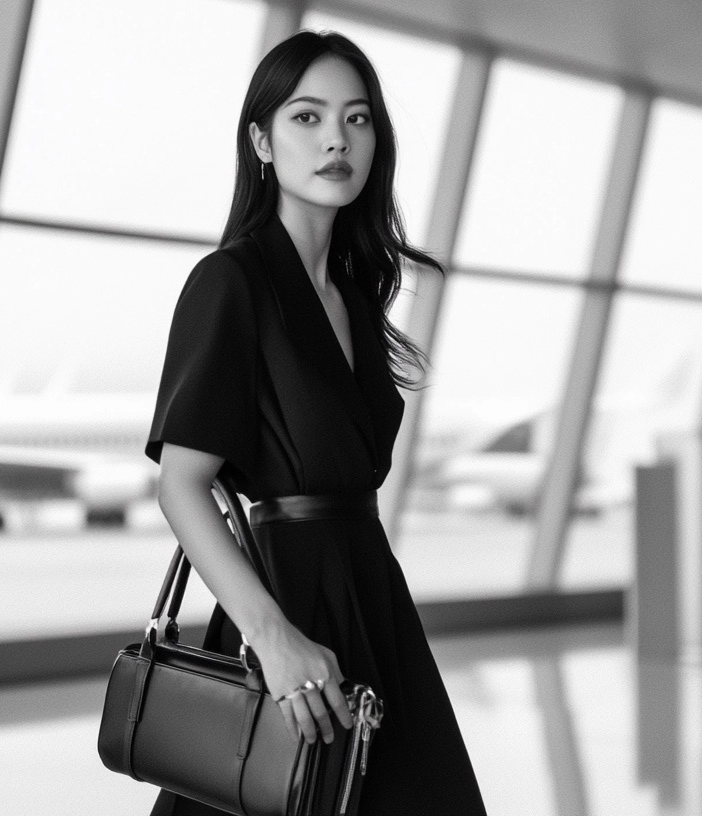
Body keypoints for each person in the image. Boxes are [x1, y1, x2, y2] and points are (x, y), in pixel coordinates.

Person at [145, 30, 488, 815]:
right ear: (261, 140)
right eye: (308, 117)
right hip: (287, 607)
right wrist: (270, 635)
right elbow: (182, 486)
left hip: (373, 599)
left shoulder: (356, 298)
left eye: (357, 119)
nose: (337, 138)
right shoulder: (230, 281)